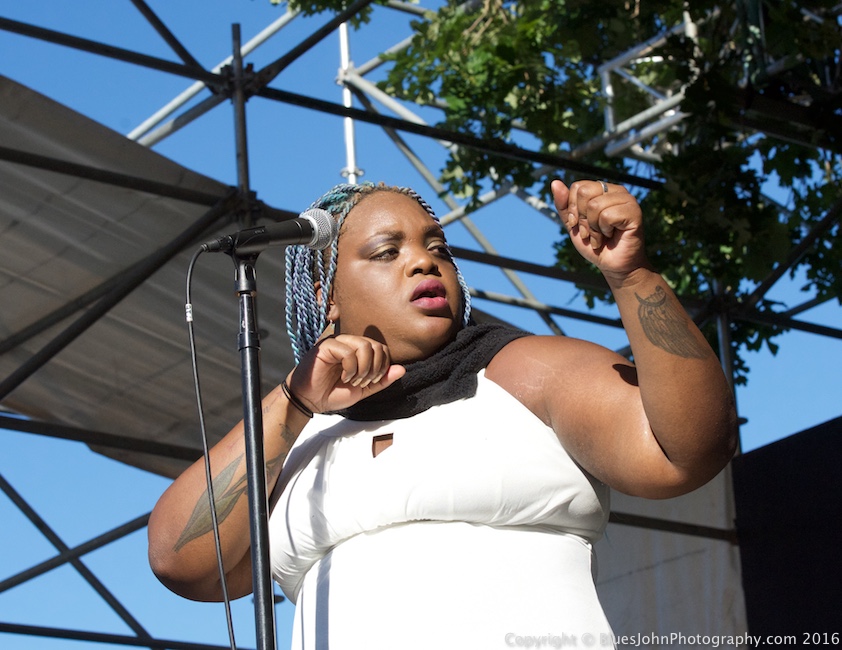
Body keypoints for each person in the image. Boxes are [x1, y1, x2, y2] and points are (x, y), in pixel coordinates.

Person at [148, 179, 738, 649]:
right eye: (387, 252)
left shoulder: (526, 369)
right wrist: (295, 401)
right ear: (327, 294)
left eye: (438, 249)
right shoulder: (298, 437)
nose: (423, 263)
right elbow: (182, 562)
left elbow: (686, 451)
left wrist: (632, 278)